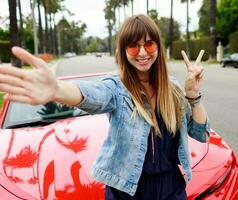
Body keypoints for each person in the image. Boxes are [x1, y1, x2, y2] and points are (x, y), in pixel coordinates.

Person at [0, 14, 210, 199]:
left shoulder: (172, 88)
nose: (142, 52)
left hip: (170, 188)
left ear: (158, 47)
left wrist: (193, 95)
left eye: (149, 44)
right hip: (127, 191)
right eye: (133, 45)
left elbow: (201, 134)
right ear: (124, 51)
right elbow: (93, 94)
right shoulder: (116, 88)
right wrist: (57, 89)